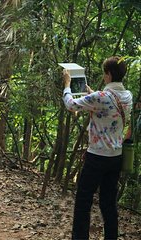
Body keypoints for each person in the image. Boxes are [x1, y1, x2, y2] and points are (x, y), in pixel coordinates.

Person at [62, 56, 133, 239]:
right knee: (108, 204)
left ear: (108, 74)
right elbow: (108, 108)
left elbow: (71, 105)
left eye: (104, 73)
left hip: (97, 157)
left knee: (83, 201)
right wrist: (92, 93)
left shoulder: (100, 97)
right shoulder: (127, 96)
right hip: (115, 157)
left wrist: (67, 85)